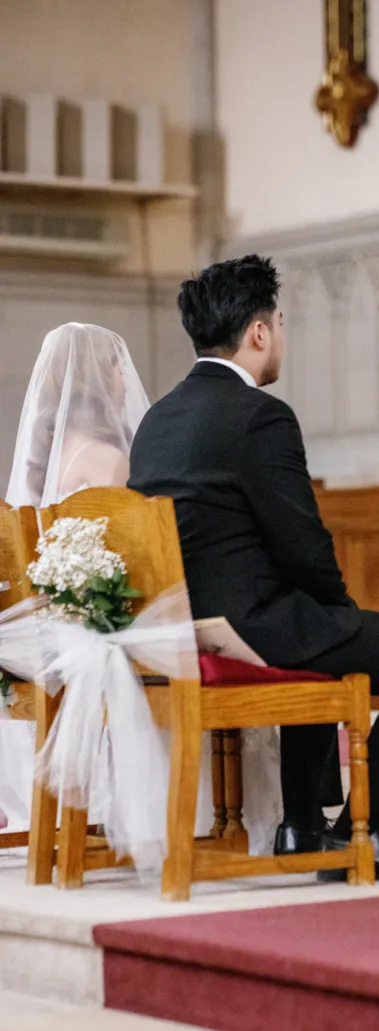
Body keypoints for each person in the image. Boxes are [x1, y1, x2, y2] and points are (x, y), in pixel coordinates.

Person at [128, 255, 379, 881]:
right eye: (280, 322)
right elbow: (303, 543)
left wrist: (326, 615)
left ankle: (302, 826)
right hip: (251, 629)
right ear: (259, 333)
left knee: (316, 625)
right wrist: (340, 611)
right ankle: (364, 832)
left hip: (182, 624)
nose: (281, 335)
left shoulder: (157, 418)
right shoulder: (260, 415)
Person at [1, 323, 150, 830]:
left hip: (41, 631)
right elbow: (130, 562)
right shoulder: (109, 460)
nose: (125, 380)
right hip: (86, 631)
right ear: (99, 376)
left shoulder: (43, 460)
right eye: (117, 367)